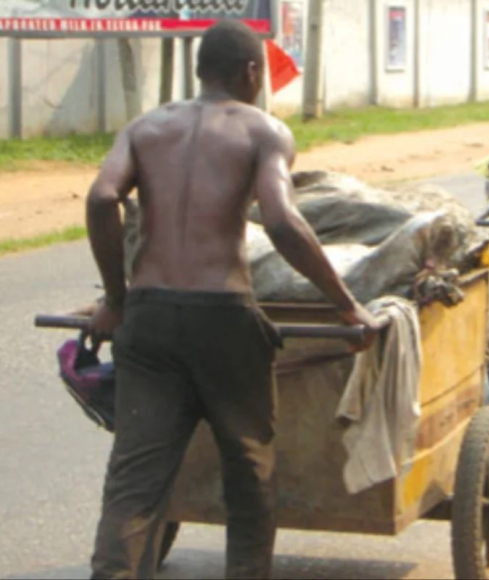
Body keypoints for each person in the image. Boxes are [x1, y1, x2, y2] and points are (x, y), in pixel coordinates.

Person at [85, 20, 378, 580]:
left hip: (148, 319)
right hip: (223, 319)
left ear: (200, 71)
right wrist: (346, 304)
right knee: (249, 471)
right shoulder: (264, 131)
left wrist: (116, 298)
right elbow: (283, 223)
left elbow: (103, 198)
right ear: (250, 72)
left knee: (134, 478)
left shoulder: (145, 128)